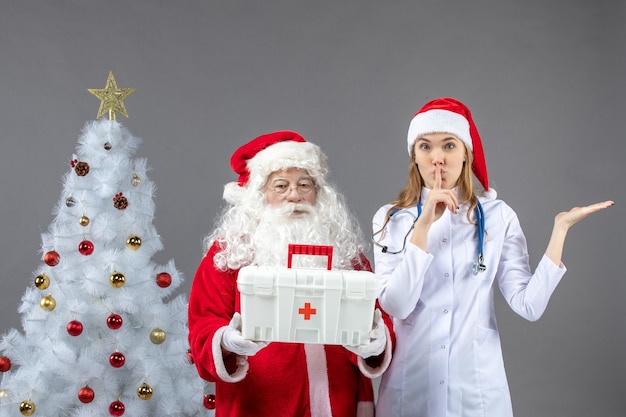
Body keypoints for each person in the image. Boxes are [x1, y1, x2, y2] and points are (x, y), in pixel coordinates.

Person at [371, 97, 613, 417]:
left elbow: (528, 305)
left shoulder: (497, 216)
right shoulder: (391, 219)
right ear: (414, 156)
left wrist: (560, 230)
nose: (437, 158)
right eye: (425, 147)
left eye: (449, 145)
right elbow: (396, 305)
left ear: (466, 153)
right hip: (413, 386)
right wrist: (424, 226)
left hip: (475, 389)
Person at [188, 130, 394, 417]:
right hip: (260, 404)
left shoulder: (344, 249)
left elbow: (377, 316)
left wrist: (377, 339)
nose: (294, 195)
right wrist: (226, 341)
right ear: (260, 195)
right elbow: (203, 322)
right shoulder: (230, 252)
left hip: (337, 401)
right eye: (281, 186)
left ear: (318, 193)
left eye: (304, 184)